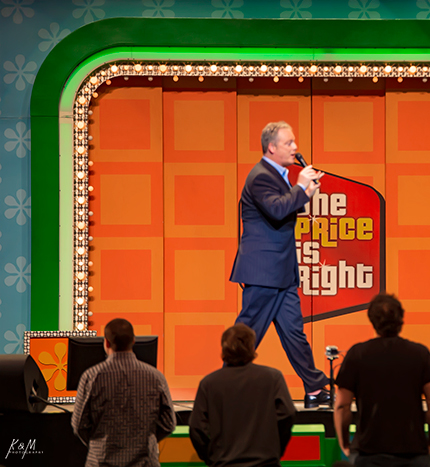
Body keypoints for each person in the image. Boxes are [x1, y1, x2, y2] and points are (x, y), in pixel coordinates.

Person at [230, 121, 330, 408]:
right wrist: (300, 187)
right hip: (264, 271)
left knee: (294, 332)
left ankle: (314, 388)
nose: (295, 148)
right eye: (289, 143)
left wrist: (305, 193)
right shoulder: (260, 176)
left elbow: (284, 208)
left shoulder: (277, 175)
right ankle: (227, 385)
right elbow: (276, 209)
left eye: (294, 142)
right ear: (272, 147)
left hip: (282, 272)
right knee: (248, 332)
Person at [334, 293, 430, 467]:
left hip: (367, 453)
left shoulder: (356, 354)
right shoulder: (421, 354)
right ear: (401, 318)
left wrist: (344, 443)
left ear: (372, 320)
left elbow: (342, 406)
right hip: (413, 453)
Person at [71, 318, 176, 467]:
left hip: (101, 462)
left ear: (107, 343)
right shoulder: (156, 377)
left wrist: (97, 444)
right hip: (145, 462)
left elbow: (78, 425)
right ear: (133, 341)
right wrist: (147, 439)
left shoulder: (91, 377)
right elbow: (169, 423)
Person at [189, 323, 296, 467]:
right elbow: (287, 414)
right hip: (265, 463)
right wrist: (275, 451)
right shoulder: (273, 378)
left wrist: (212, 458)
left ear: (224, 349)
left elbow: (196, 428)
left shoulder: (209, 383)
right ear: (251, 348)